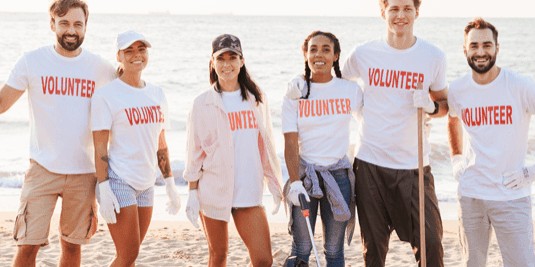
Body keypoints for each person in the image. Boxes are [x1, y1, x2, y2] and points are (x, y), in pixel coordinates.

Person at [0, 0, 116, 266]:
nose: (71, 30)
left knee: (72, 248)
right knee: (27, 245)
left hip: (84, 172)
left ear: (86, 27)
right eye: (64, 23)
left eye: (78, 24)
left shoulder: (101, 68)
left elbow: (126, 99)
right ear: (52, 24)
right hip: (42, 169)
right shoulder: (32, 61)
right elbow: (2, 104)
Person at [183, 34, 284, 267]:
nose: (226, 64)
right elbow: (194, 152)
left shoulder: (256, 100)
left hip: (248, 189)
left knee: (263, 260)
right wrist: (191, 192)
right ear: (212, 62)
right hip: (213, 190)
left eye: (232, 57)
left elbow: (265, 146)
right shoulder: (201, 103)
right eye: (221, 58)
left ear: (242, 61)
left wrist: (274, 184)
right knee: (218, 257)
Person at [447, 17, 535, 267]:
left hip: (512, 194)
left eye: (487, 45)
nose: (481, 52)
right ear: (465, 50)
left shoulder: (520, 86)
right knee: (472, 263)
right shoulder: (458, 89)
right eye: (474, 46)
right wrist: (455, 158)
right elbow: (452, 119)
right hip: (471, 195)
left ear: (497, 48)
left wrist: (531, 172)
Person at [91, 30, 181, 266]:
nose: (136, 55)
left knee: (129, 254)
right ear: (119, 56)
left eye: (141, 49)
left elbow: (160, 143)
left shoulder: (157, 94)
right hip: (119, 181)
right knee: (128, 253)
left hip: (146, 184)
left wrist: (170, 183)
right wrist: (104, 189)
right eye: (128, 51)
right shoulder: (106, 96)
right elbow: (100, 145)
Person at [282, 31, 362, 266]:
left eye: (326, 49)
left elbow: (372, 120)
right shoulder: (294, 93)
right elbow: (289, 142)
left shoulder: (349, 90)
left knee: (334, 250)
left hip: (339, 177)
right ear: (305, 54)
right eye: (313, 49)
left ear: (336, 56)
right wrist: (295, 182)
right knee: (302, 248)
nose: (319, 54)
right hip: (305, 177)